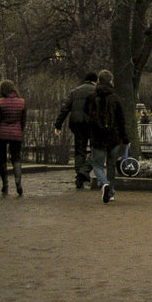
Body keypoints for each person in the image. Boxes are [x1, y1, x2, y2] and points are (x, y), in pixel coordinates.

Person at [86, 70, 130, 204]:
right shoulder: (115, 98)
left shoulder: (92, 98)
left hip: (97, 137)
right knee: (111, 164)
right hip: (114, 137)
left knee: (97, 164)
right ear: (110, 81)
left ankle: (104, 183)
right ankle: (111, 191)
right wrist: (125, 138)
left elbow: (88, 116)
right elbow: (121, 120)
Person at [54, 71, 98, 189]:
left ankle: (79, 176)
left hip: (77, 124)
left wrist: (58, 125)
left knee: (79, 150)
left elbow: (65, 109)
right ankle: (84, 171)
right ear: (95, 81)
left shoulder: (74, 92)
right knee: (96, 150)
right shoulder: (97, 91)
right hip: (92, 125)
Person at [0, 79, 27, 197]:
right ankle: (18, 182)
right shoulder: (22, 102)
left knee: (2, 159)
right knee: (16, 158)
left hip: (1, 135)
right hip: (16, 134)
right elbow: (23, 121)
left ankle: (5, 184)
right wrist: (20, 131)